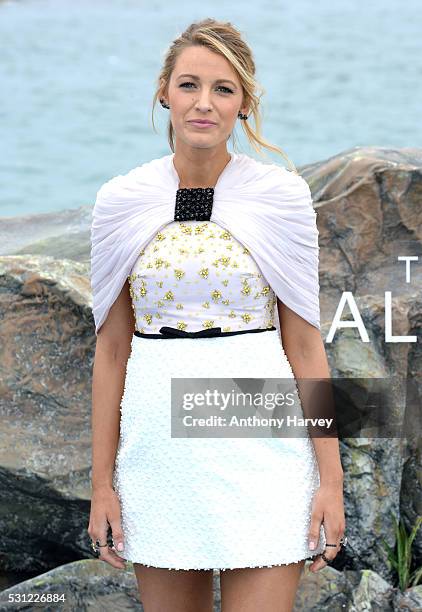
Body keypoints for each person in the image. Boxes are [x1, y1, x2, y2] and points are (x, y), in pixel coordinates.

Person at [88, 17, 346, 612]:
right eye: (189, 85)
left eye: (223, 89)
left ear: (244, 104)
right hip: (158, 447)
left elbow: (306, 348)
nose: (204, 103)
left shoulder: (280, 197)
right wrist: (102, 484)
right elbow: (111, 352)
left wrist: (330, 481)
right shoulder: (121, 201)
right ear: (164, 93)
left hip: (264, 443)